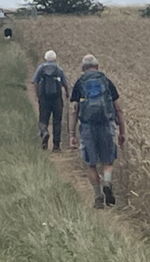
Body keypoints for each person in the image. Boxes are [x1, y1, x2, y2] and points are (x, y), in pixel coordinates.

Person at [68, 54, 126, 208]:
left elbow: (74, 110)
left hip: (87, 127)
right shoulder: (106, 81)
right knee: (108, 161)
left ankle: (98, 198)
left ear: (83, 68)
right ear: (97, 66)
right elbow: (118, 108)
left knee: (90, 164)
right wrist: (122, 131)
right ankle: (107, 181)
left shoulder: (80, 83)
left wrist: (72, 134)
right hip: (106, 125)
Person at [31, 50, 69, 151]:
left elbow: (35, 82)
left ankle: (44, 133)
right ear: (55, 58)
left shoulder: (41, 68)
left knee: (43, 119)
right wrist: (67, 93)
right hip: (57, 98)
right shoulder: (58, 68)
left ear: (45, 58)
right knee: (57, 121)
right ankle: (56, 146)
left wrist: (38, 95)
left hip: (44, 98)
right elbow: (65, 83)